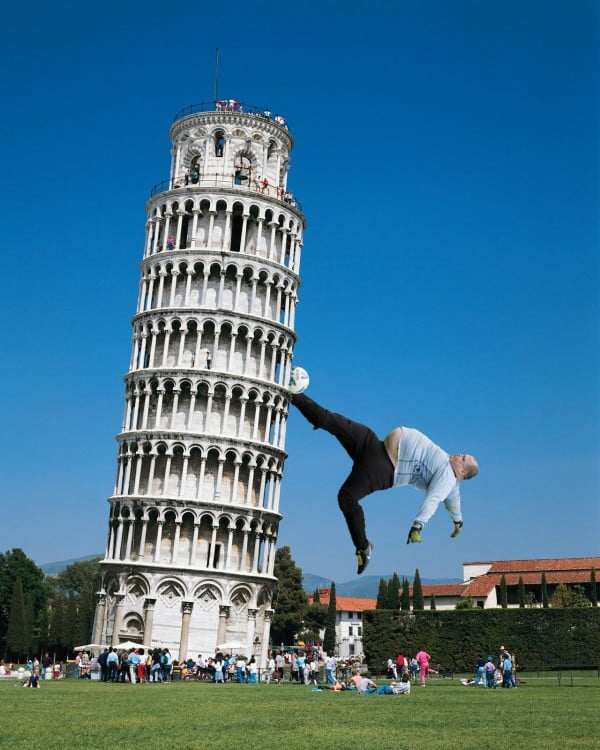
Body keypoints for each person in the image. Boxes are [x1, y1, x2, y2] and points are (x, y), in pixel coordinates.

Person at [288, 367, 478, 573]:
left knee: (346, 498)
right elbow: (453, 503)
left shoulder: (447, 477)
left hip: (384, 468)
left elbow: (434, 499)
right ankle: (293, 395)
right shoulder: (449, 477)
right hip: (374, 445)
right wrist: (458, 522)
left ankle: (363, 548)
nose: (459, 455)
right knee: (332, 421)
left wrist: (418, 526)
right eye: (462, 454)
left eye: (463, 458)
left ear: (461, 473)